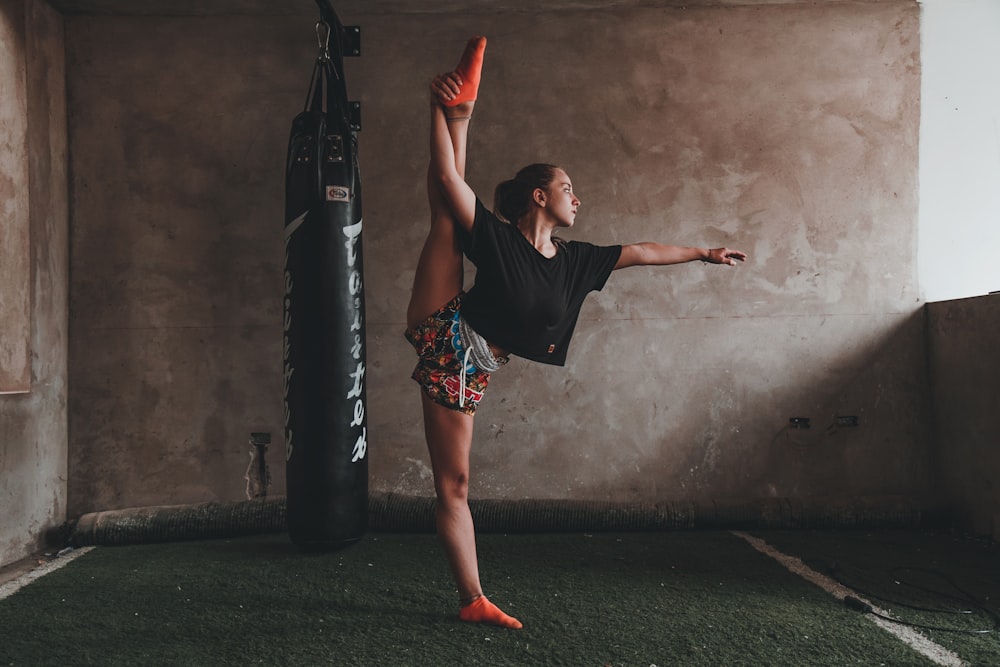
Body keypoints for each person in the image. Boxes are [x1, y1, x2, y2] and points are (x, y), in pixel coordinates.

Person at [404, 36, 747, 630]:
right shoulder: (502, 238)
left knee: (454, 483)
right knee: (446, 209)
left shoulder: (576, 260)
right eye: (568, 189)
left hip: (476, 358)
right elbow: (446, 178)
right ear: (540, 196)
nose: (577, 198)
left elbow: (640, 251)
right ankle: (458, 107)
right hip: (449, 346)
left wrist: (701, 251)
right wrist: (434, 110)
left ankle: (461, 108)